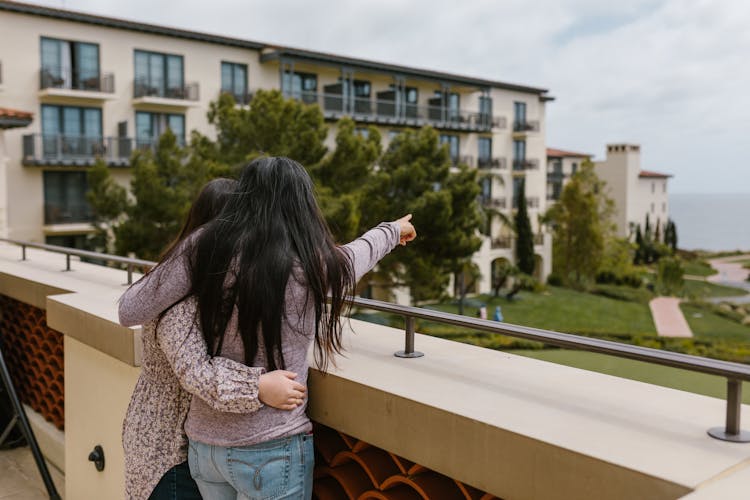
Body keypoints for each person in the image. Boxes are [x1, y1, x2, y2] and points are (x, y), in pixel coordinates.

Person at [129, 156, 416, 499]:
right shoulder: (314, 268)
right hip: (271, 446)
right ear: (303, 207)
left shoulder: (206, 252)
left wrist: (192, 247)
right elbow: (359, 254)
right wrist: (392, 231)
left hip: (204, 448)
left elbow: (132, 309)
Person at [121, 178, 306, 500]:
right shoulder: (179, 297)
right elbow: (196, 371)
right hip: (168, 451)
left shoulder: (190, 281)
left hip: (181, 444)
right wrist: (258, 386)